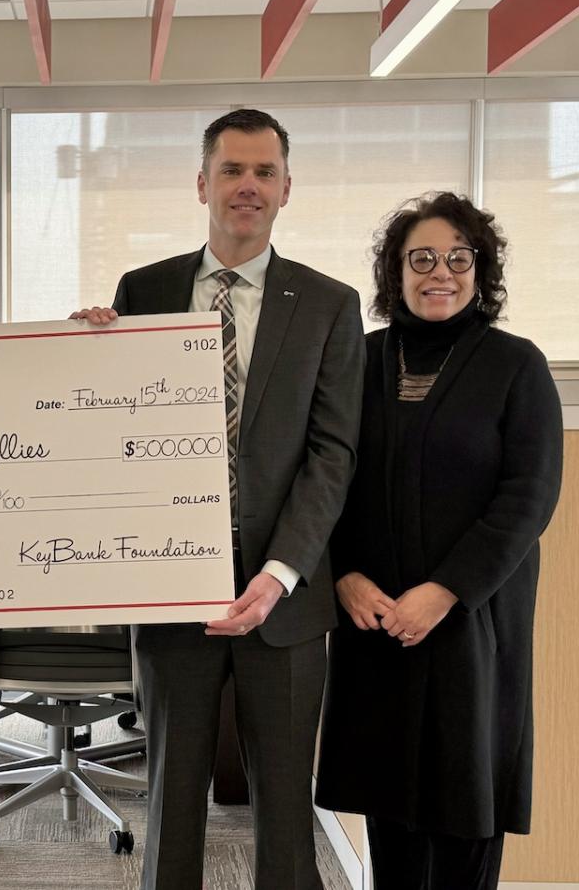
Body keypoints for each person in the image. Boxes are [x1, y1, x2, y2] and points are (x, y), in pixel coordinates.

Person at [73, 108, 365, 889]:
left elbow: (332, 455)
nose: (248, 186)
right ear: (202, 182)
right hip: (172, 587)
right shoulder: (146, 289)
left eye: (264, 172)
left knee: (283, 810)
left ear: (286, 189)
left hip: (286, 594)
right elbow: (111, 426)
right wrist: (80, 352)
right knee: (171, 802)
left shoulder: (331, 305)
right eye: (232, 170)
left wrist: (280, 572)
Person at [315, 192, 563, 890]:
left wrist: (445, 591)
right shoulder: (356, 360)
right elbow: (321, 477)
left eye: (460, 257)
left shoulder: (516, 365)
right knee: (390, 812)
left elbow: (528, 497)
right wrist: (342, 575)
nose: (440, 273)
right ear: (395, 271)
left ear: (481, 270)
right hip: (375, 618)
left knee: (465, 807)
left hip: (472, 623)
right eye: (421, 258)